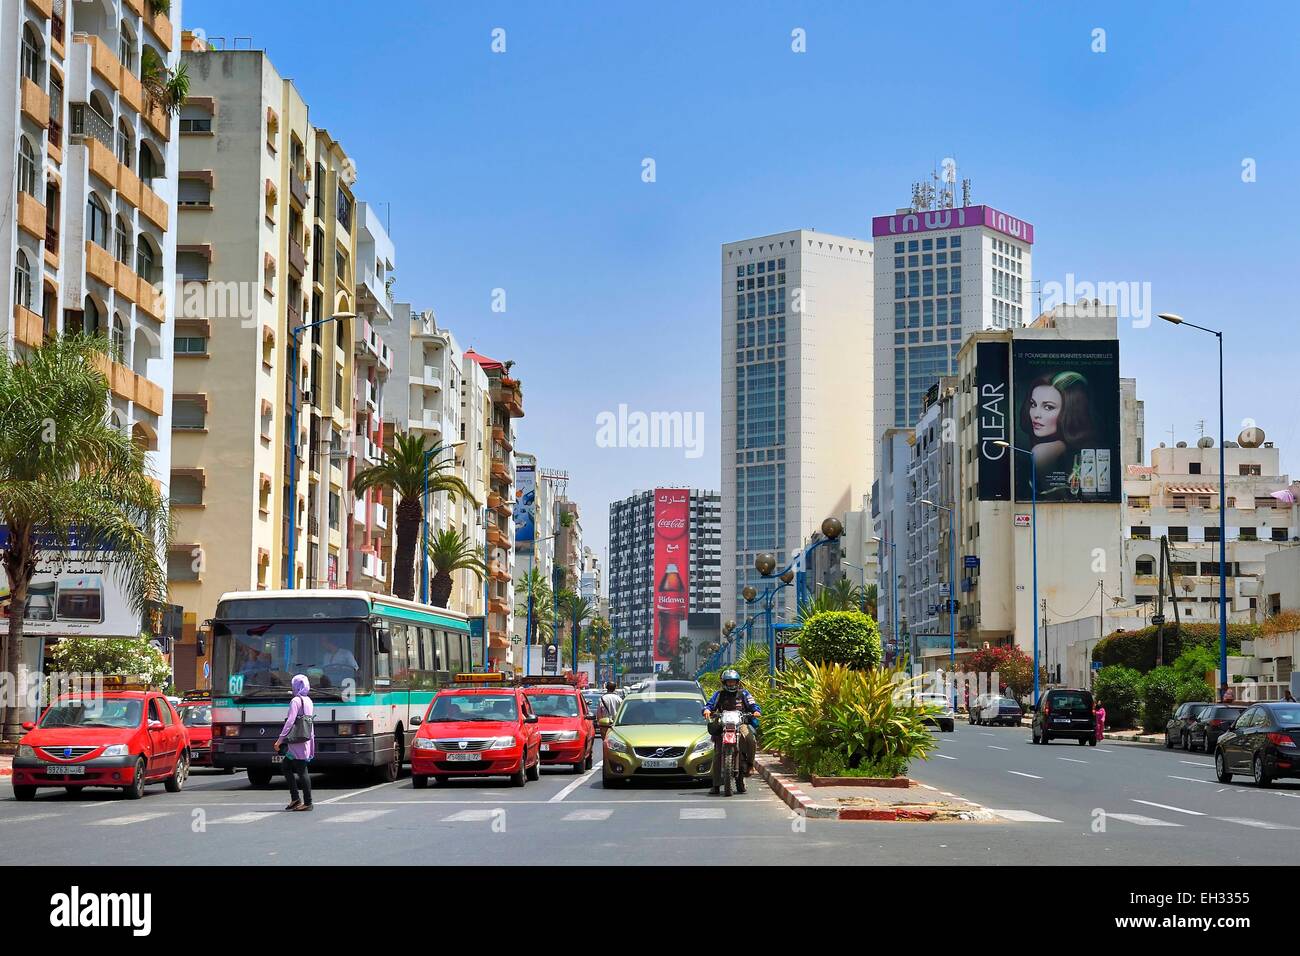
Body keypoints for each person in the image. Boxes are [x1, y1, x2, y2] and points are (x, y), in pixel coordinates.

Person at [1018, 371, 1097, 484]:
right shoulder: (1083, 450)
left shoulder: (1042, 451)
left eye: (1048, 407)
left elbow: (1051, 497)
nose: (1036, 414)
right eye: (1033, 404)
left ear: (1071, 412)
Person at [702, 669, 760, 795]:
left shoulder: (744, 694)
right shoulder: (719, 694)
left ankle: (750, 764)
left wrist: (755, 711)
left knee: (751, 739)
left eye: (733, 682)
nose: (731, 684)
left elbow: (753, 704)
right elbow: (709, 705)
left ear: (737, 682)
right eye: (729, 682)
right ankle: (716, 785)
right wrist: (707, 710)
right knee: (717, 753)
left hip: (740, 723)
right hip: (723, 724)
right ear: (724, 682)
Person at [274, 674, 315, 811]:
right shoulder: (308, 700)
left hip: (297, 741)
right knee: (285, 766)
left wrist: (280, 740)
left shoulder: (296, 701)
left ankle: (308, 802)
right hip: (304, 739)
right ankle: (295, 798)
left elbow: (290, 722)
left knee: (302, 770)